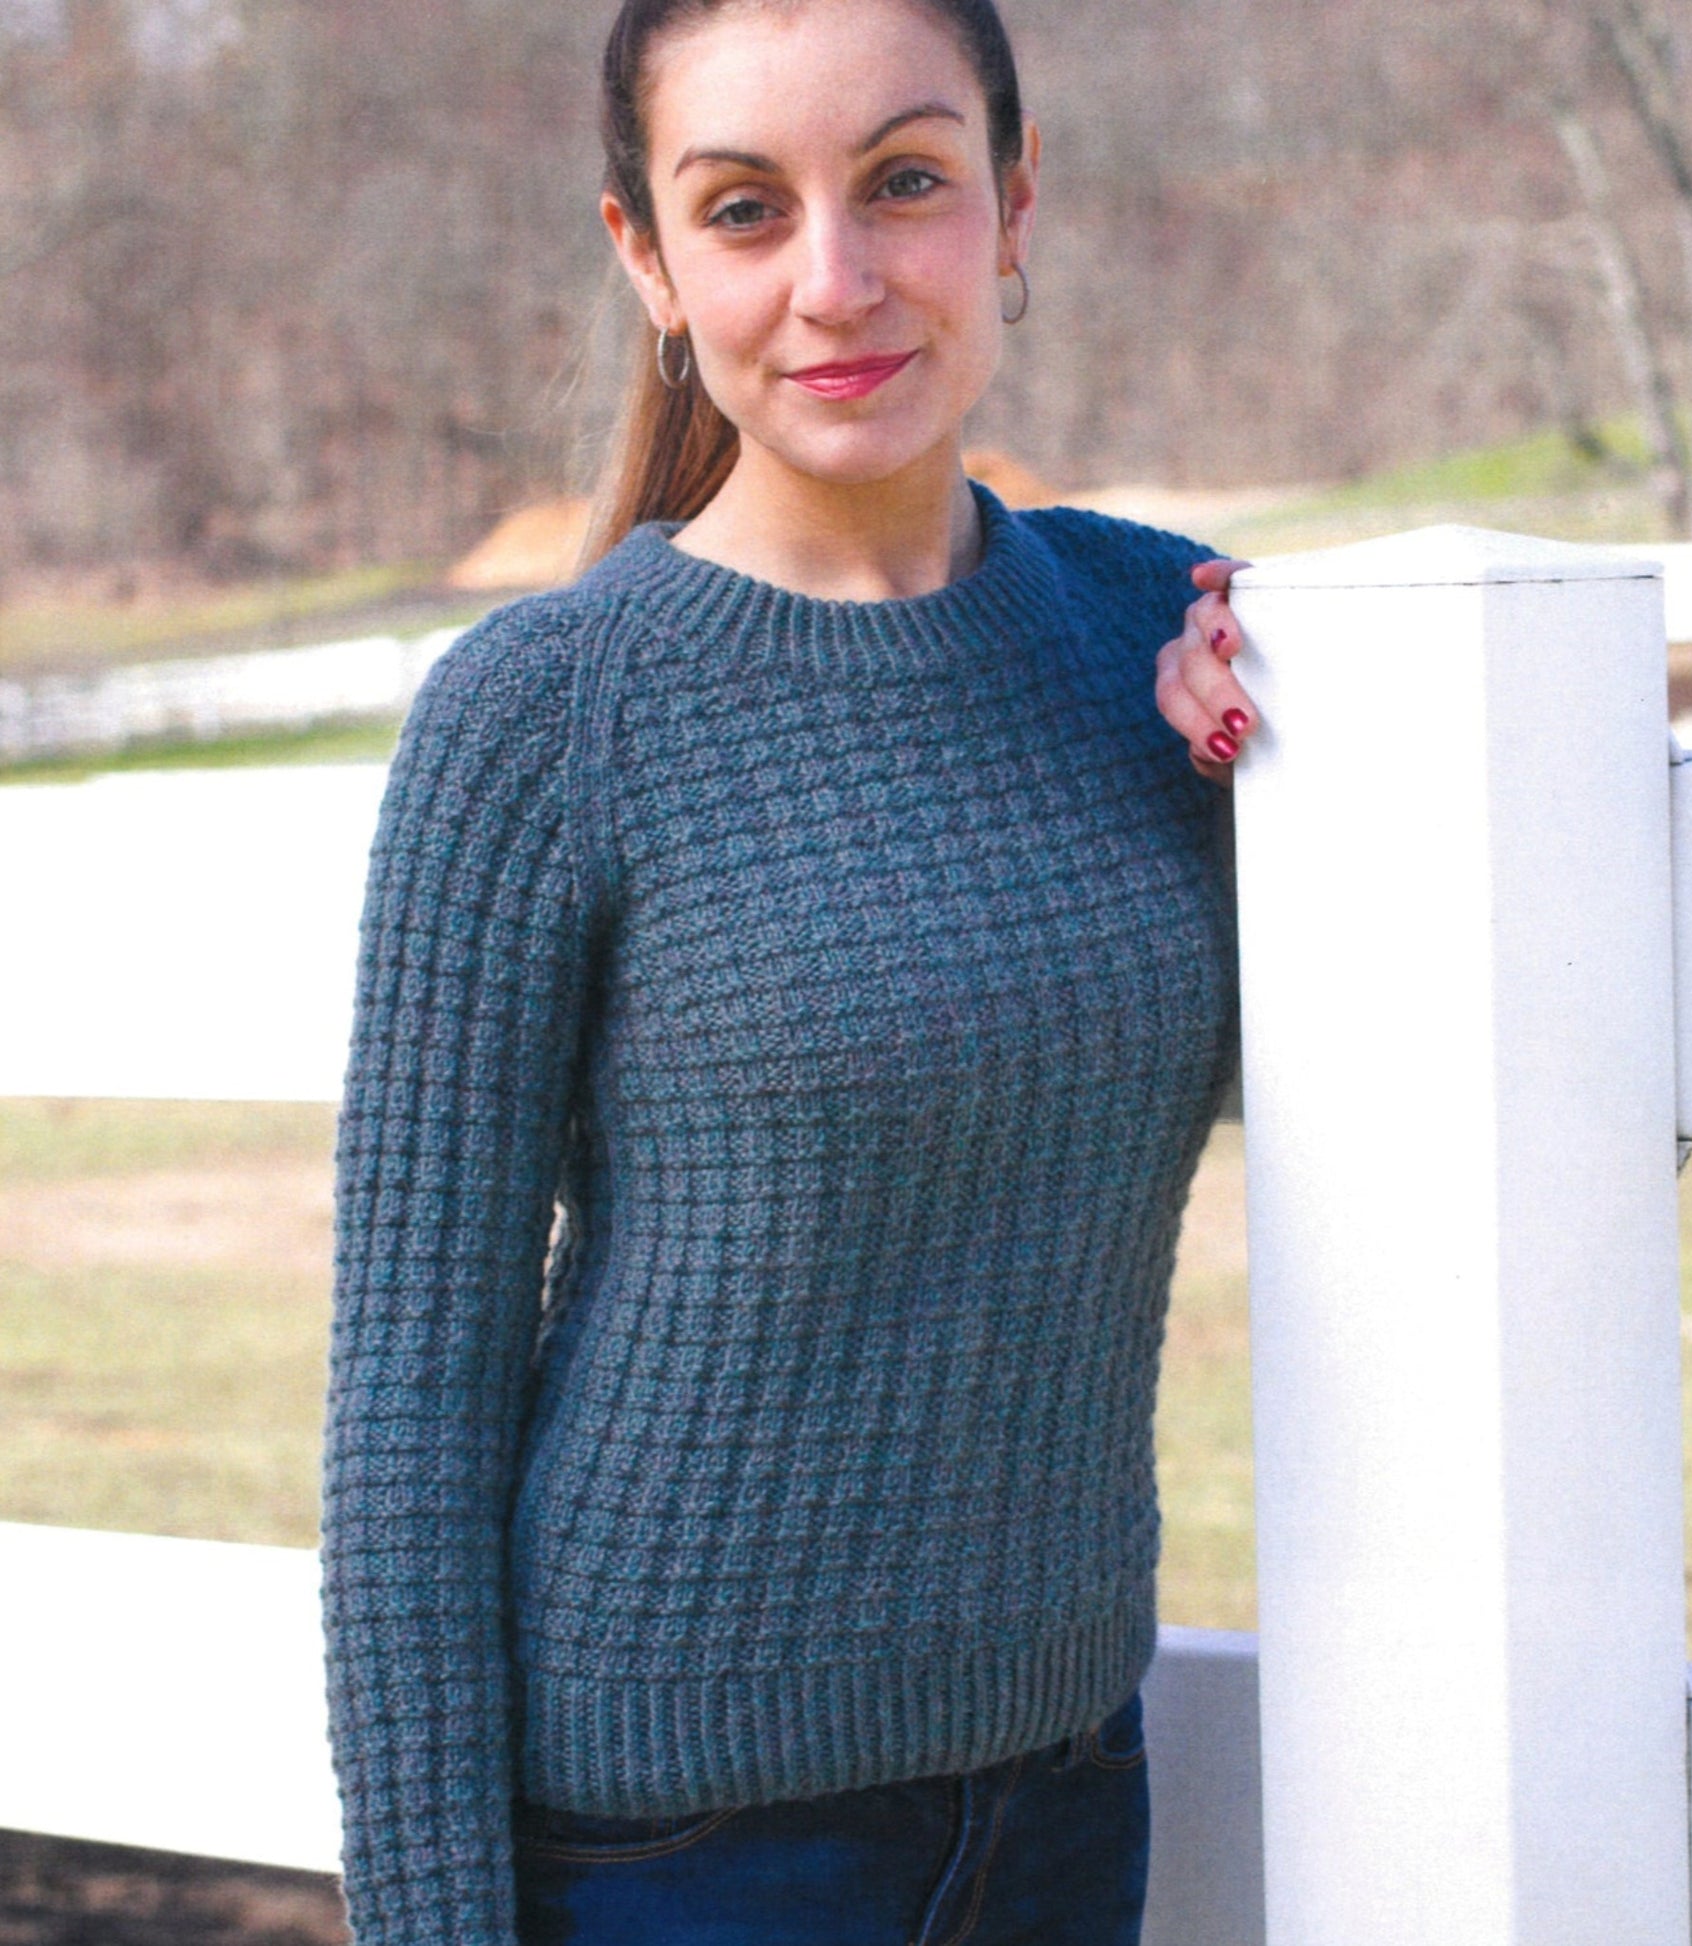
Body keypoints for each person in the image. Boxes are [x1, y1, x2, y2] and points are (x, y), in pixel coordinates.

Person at [319, 1, 1259, 1941]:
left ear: (1010, 209)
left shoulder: (1161, 637)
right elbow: (410, 1413)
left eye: (903, 183)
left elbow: (1550, 1048)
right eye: (744, 210)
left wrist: (1293, 809)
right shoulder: (544, 715)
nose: (835, 282)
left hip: (1067, 1789)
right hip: (682, 1851)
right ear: (649, 265)